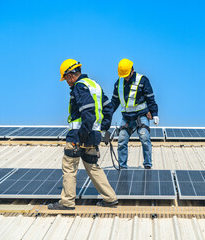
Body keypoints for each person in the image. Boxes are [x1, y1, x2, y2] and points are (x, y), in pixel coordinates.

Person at [48, 59, 118, 210]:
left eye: (66, 78)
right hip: (93, 135)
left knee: (69, 167)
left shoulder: (79, 87)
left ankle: (67, 202)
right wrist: (102, 129)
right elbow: (108, 109)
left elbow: (88, 111)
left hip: (79, 135)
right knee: (93, 166)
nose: (67, 82)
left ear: (70, 75)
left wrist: (83, 133)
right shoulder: (95, 85)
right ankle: (110, 198)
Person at [111, 58, 159, 169]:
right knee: (122, 140)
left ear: (132, 70)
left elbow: (150, 98)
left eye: (127, 75)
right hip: (127, 118)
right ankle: (122, 167)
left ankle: (147, 164)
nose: (125, 78)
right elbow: (114, 102)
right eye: (123, 76)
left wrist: (155, 114)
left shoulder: (142, 80)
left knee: (144, 137)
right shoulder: (119, 84)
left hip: (141, 116)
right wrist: (106, 116)